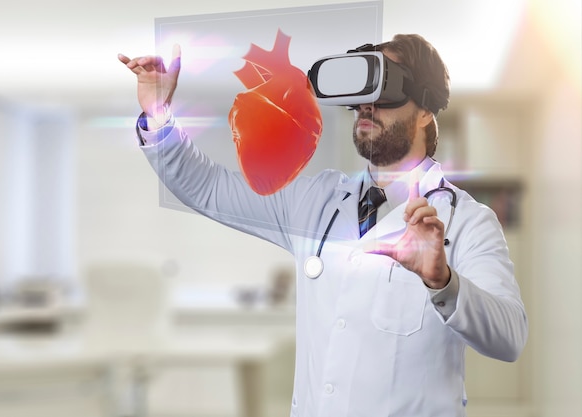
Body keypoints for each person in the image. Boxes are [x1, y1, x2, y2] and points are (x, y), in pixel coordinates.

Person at [118, 33, 527, 417]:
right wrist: (158, 114)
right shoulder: (316, 202)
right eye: (361, 92)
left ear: (424, 110)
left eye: (383, 92)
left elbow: (509, 337)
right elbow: (208, 190)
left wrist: (443, 280)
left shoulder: (468, 221)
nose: (367, 106)